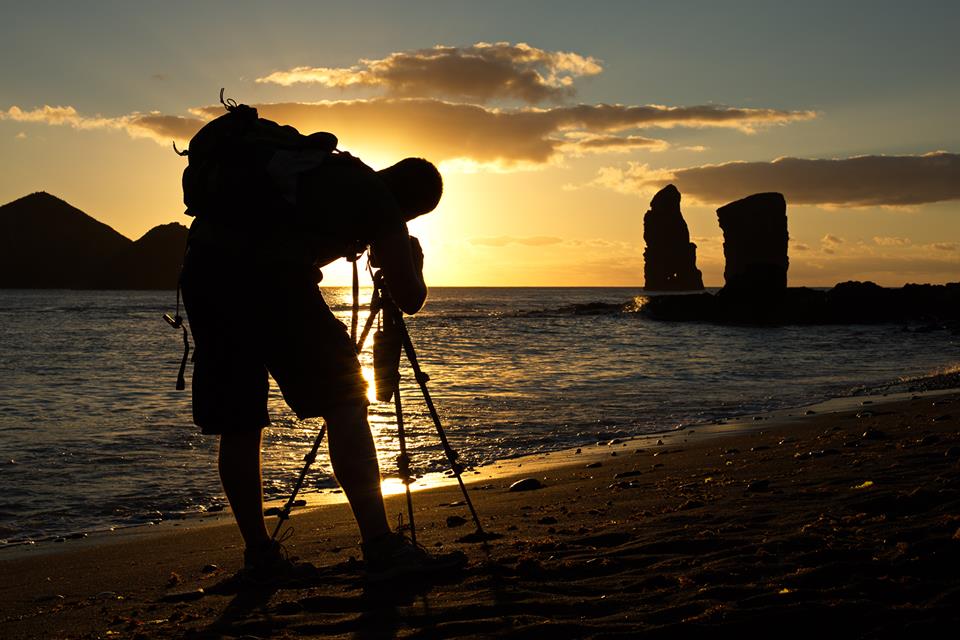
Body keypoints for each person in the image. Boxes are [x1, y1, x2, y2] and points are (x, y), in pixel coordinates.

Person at [180, 148, 451, 582]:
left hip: (205, 274)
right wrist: (410, 258)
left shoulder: (329, 173)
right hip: (274, 281)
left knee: (239, 421)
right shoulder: (381, 203)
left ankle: (260, 557)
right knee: (346, 403)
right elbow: (411, 297)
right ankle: (381, 546)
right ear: (411, 208)